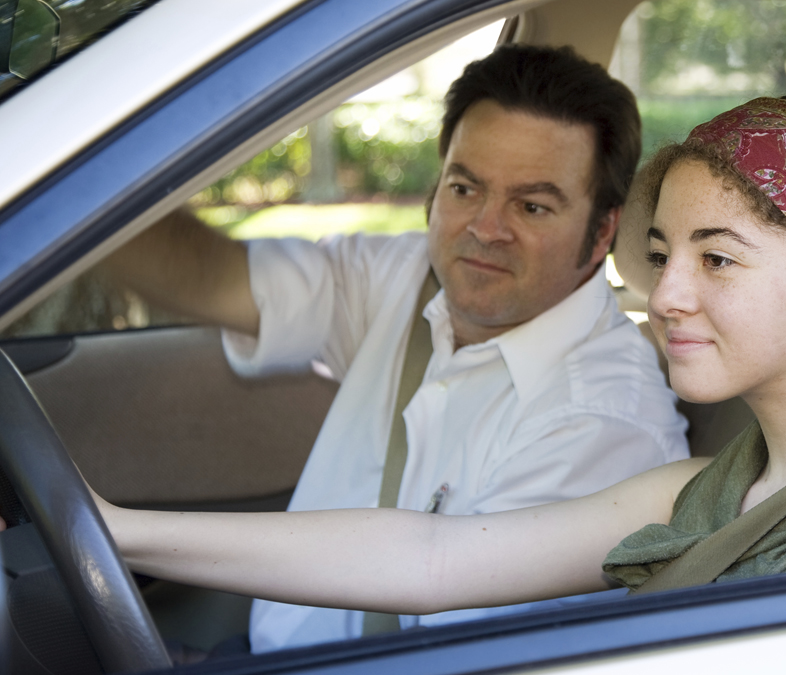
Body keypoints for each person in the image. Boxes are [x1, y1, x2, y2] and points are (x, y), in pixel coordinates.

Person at [94, 96, 786, 621]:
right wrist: (118, 528)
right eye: (663, 253)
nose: (668, 292)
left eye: (717, 258)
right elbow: (434, 559)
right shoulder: (701, 489)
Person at [99, 44, 688, 651]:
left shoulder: (605, 422)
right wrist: (68, 177)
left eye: (532, 205)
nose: (485, 228)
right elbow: (213, 279)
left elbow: (455, 637)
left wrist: (114, 531)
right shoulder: (404, 278)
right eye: (465, 188)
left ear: (603, 232)